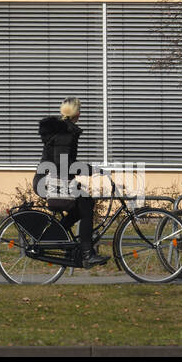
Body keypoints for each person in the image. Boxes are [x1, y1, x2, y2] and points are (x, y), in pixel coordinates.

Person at [33, 96, 106, 267]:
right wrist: (93, 170)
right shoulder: (65, 133)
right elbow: (64, 164)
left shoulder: (62, 129)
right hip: (51, 181)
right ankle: (87, 253)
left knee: (84, 203)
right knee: (86, 207)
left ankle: (57, 237)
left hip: (50, 179)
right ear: (77, 113)